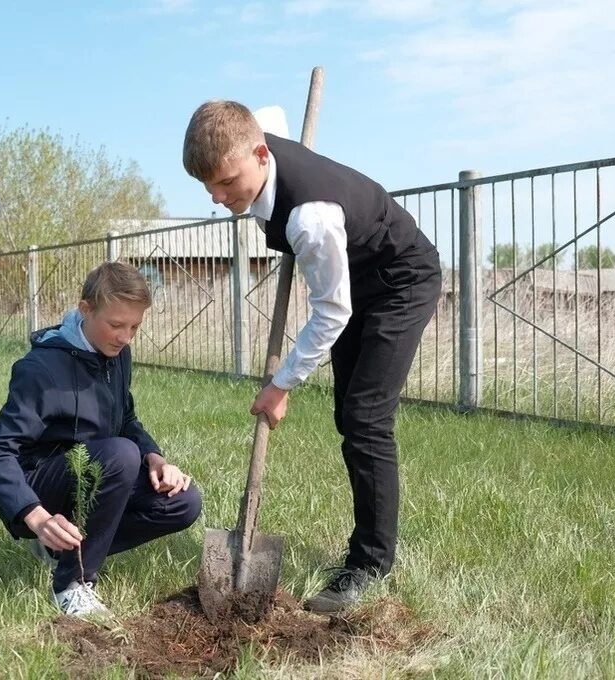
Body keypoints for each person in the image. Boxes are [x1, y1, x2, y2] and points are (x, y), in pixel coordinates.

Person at [183, 100, 442, 612]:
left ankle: (370, 562)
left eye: (227, 182)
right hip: (355, 279)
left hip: (398, 282)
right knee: (349, 414)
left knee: (365, 419)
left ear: (260, 154)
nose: (218, 197)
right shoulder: (258, 141)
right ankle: (369, 547)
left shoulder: (309, 217)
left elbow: (330, 313)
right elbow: (271, 116)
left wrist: (281, 385)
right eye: (208, 186)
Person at [0, 261, 202, 618]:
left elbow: (125, 419)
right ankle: (72, 585)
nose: (126, 337)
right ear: (85, 310)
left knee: (183, 501)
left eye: (135, 327)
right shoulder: (41, 369)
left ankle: (62, 550)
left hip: (102, 473)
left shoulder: (117, 355)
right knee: (120, 454)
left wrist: (155, 458)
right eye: (116, 325)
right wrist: (35, 517)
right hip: (43, 487)